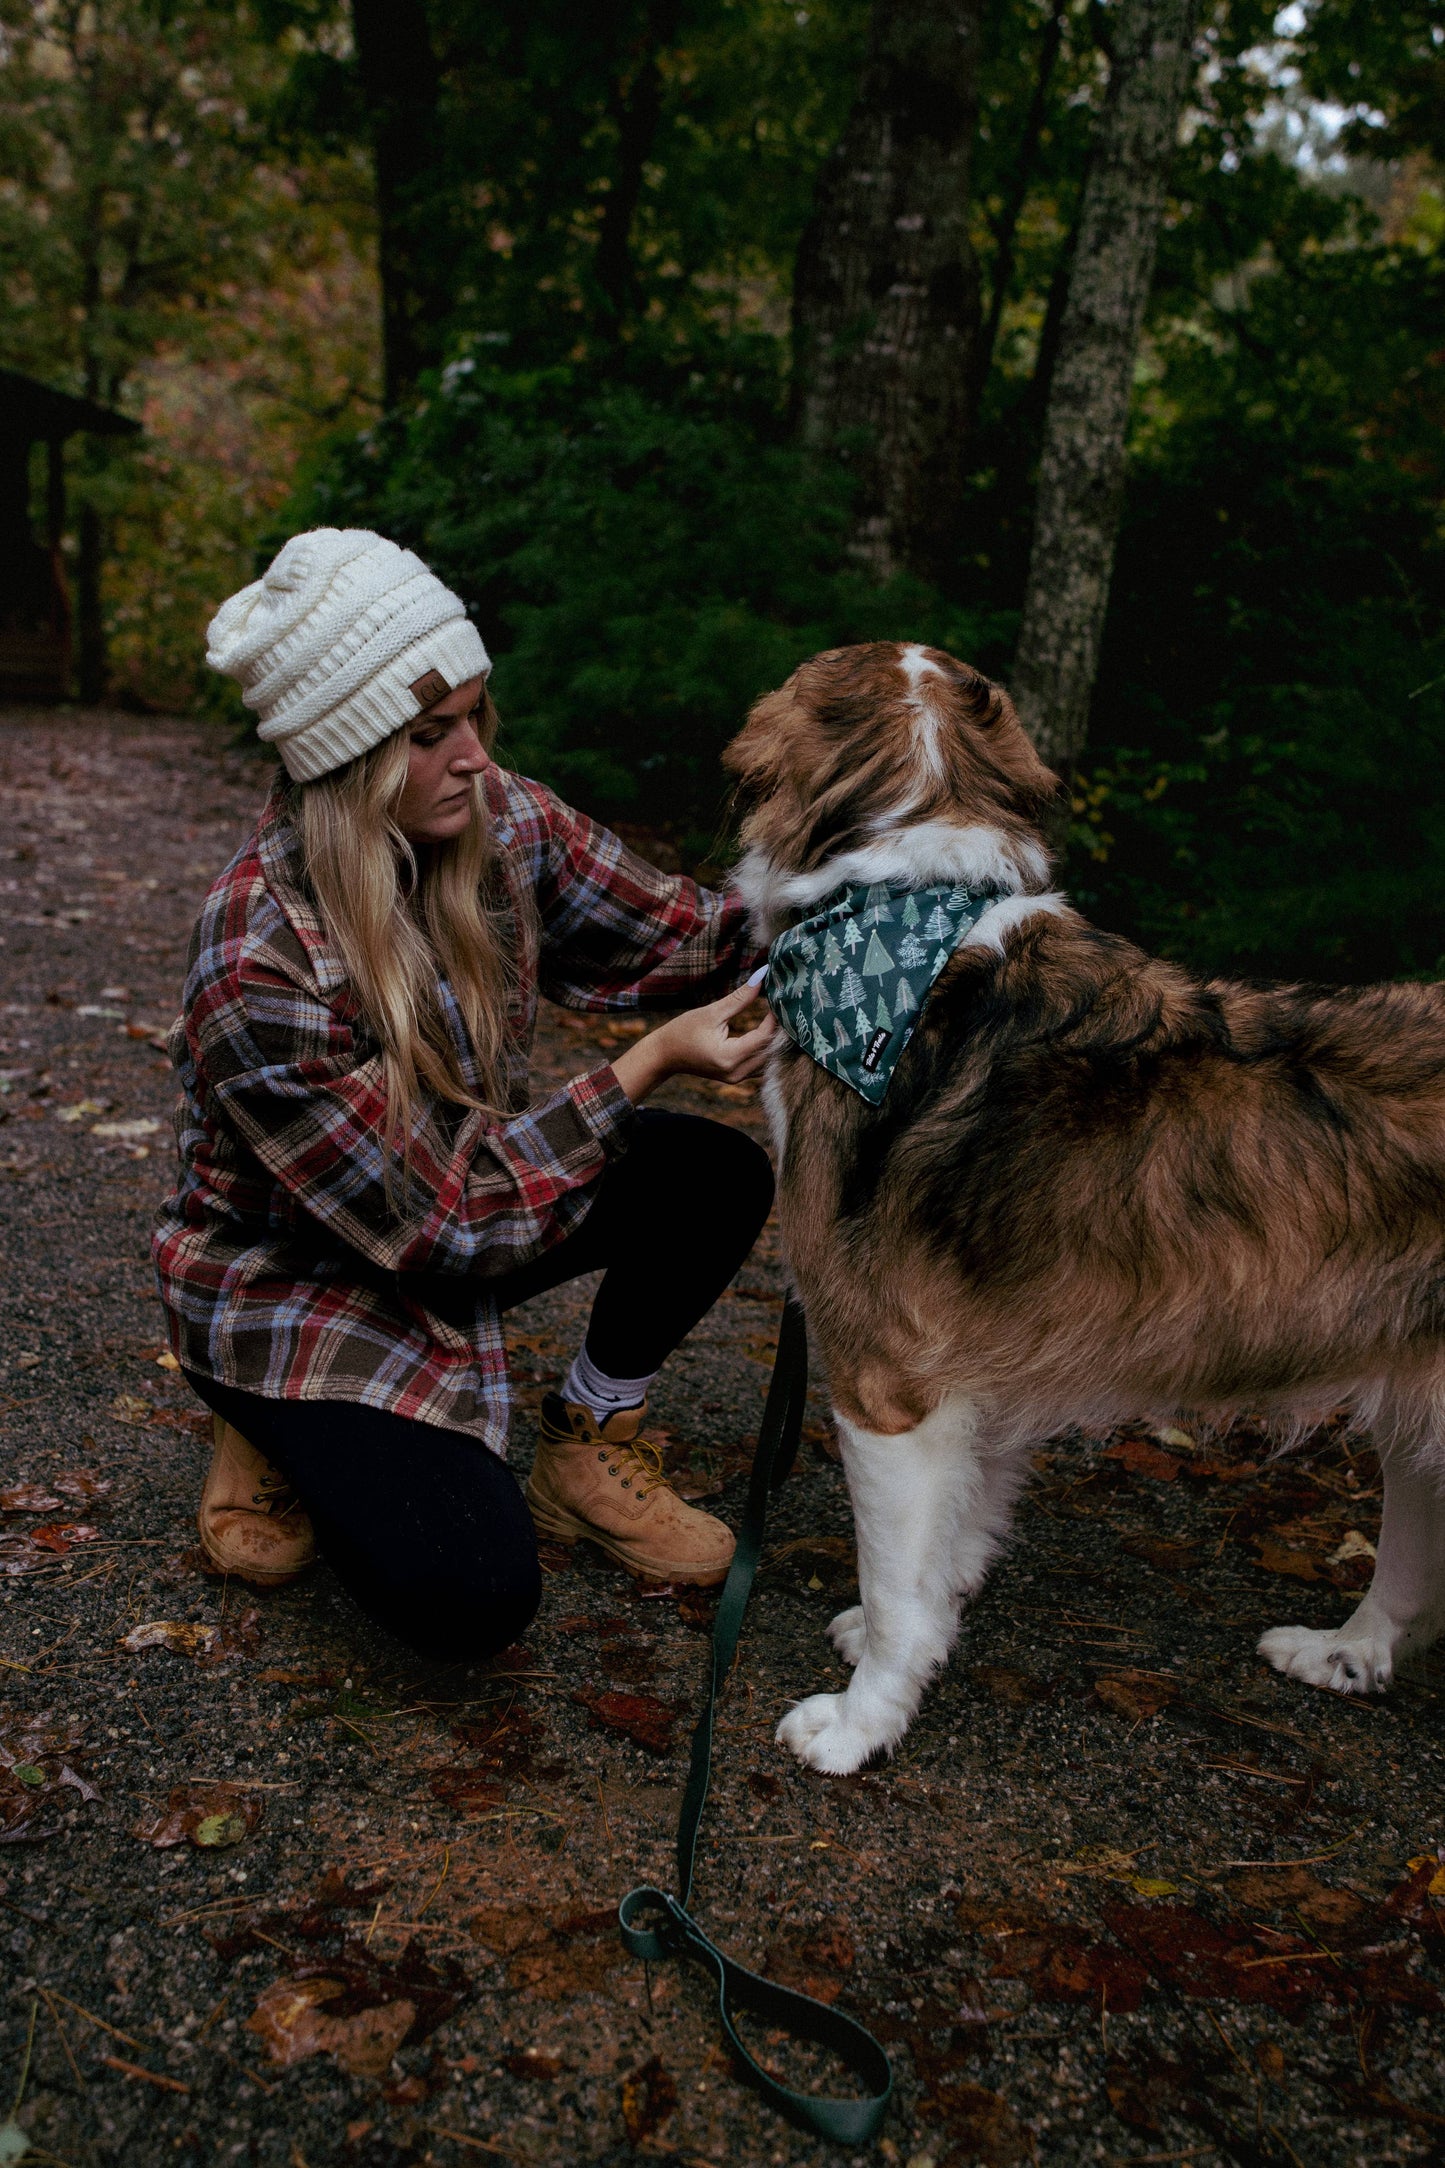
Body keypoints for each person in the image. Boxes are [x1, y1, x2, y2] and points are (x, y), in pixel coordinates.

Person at [153, 527, 776, 1662]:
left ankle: (586, 1435)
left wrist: (869, 897)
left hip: (467, 1201)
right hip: (303, 1279)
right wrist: (642, 1063)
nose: (476, 756)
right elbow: (441, 1221)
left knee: (711, 1174)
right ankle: (266, 1419)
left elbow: (693, 936)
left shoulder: (501, 823)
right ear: (346, 755)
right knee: (467, 1595)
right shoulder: (258, 959)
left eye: (479, 716)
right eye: (432, 733)